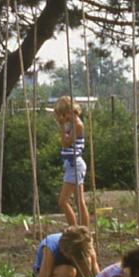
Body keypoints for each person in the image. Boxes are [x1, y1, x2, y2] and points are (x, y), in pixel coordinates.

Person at [54, 96, 90, 226]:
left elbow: (65, 143)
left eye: (64, 114)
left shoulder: (78, 125)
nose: (63, 117)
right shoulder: (73, 124)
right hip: (72, 165)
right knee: (79, 201)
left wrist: (62, 126)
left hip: (75, 165)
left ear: (70, 111)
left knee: (63, 201)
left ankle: (74, 229)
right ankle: (83, 230)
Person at [32, 225, 100, 277]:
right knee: (68, 272)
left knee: (87, 260)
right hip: (46, 276)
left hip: (70, 275)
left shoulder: (85, 245)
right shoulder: (50, 247)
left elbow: (97, 274)